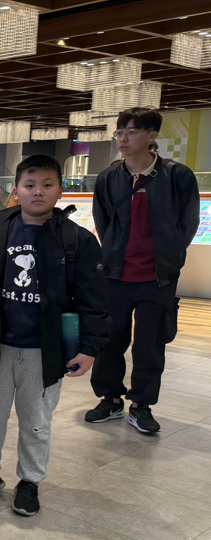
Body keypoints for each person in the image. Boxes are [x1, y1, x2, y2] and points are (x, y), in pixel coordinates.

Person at [0, 154, 110, 517]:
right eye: (29, 185)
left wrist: (89, 348)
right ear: (16, 191)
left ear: (60, 189)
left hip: (45, 351)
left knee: (37, 422)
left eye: (47, 184)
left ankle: (30, 481)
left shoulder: (77, 240)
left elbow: (95, 299)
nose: (38, 191)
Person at [87, 107, 201, 434]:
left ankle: (142, 404)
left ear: (152, 136)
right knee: (110, 340)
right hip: (115, 275)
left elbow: (188, 223)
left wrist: (170, 256)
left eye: (132, 131)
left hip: (157, 278)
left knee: (150, 344)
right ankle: (110, 397)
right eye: (119, 132)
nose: (123, 138)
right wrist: (112, 254)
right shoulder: (109, 177)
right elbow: (103, 221)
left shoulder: (177, 176)